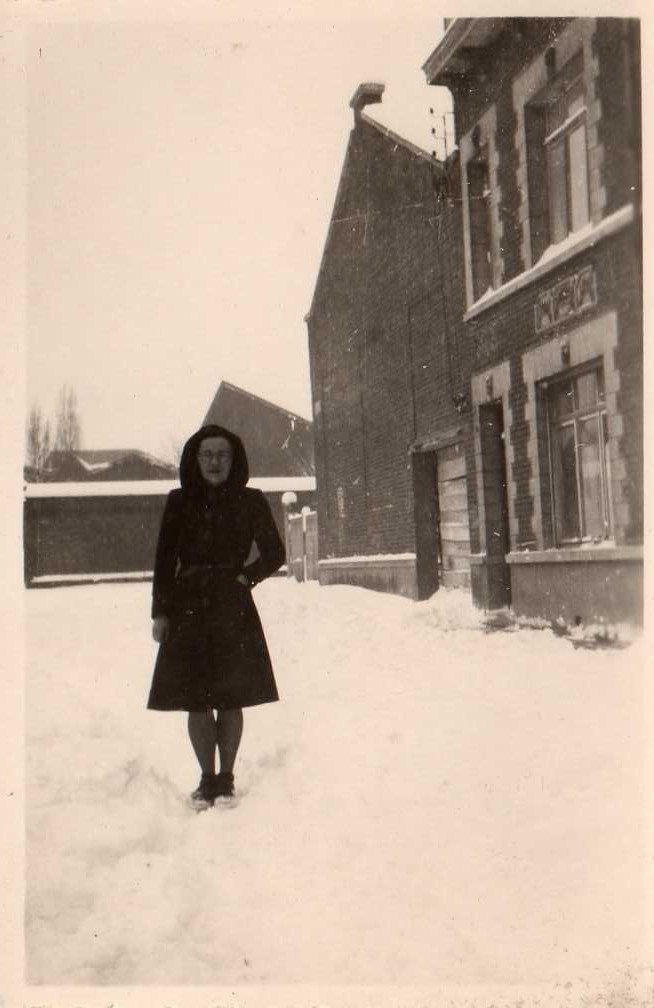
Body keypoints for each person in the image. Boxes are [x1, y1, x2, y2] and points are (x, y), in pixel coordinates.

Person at [147, 424, 286, 806]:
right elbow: (164, 560)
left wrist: (245, 577)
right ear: (195, 459)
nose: (214, 462)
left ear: (234, 459)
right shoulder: (179, 501)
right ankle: (206, 779)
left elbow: (275, 552)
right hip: (187, 605)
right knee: (195, 699)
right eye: (206, 454)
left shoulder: (251, 500)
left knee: (230, 695)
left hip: (231, 605)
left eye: (222, 455)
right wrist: (161, 613)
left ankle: (225, 778)